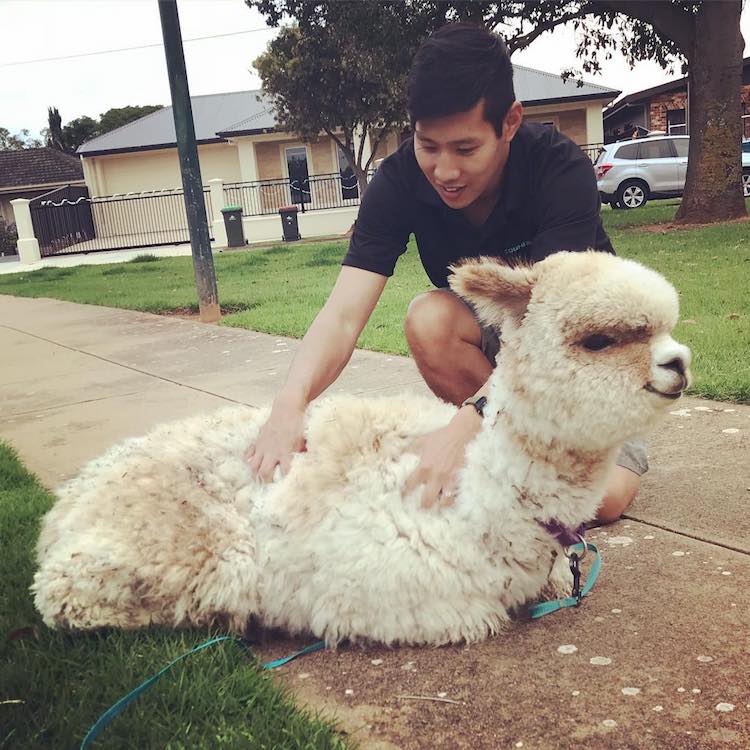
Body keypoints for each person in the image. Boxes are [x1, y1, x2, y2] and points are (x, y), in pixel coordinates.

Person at [247, 22, 647, 523]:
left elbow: (547, 335)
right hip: (499, 359)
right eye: (428, 145)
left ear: (510, 122)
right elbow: (343, 315)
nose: (445, 171)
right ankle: (514, 447)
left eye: (465, 149)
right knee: (429, 319)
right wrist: (290, 403)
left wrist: (467, 423)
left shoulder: (557, 168)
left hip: (583, 353)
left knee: (603, 501)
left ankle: (507, 442)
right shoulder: (398, 183)